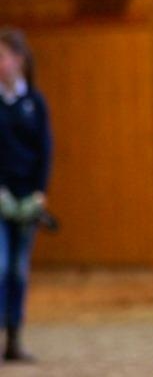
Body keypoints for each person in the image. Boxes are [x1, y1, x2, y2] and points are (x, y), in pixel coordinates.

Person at [0, 28, 52, 364]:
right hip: (0, 199)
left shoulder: (35, 102)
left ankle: (14, 337)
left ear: (19, 59)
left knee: (19, 269)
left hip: (26, 198)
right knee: (0, 266)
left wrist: (38, 193)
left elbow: (45, 150)